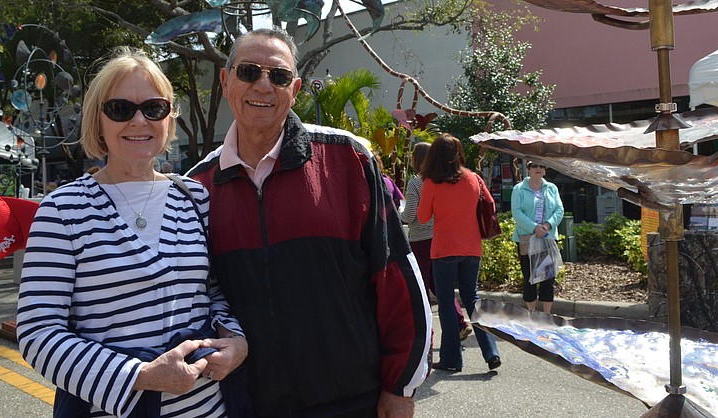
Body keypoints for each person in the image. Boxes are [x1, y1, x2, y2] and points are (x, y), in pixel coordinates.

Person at [188, 28, 431, 418]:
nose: (263, 85)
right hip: (246, 404)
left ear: (296, 88)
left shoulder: (348, 159)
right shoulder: (198, 186)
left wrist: (400, 387)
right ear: (226, 80)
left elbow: (397, 277)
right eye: (249, 71)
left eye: (279, 76)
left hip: (352, 401)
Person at [16, 47, 248, 417]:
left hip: (208, 407)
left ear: (169, 118)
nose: (139, 121)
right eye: (121, 109)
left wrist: (235, 340)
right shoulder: (61, 210)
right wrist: (142, 375)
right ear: (98, 119)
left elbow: (213, 291)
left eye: (153, 108)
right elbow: (38, 332)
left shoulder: (194, 197)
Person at [416, 133, 501, 373]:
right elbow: (490, 205)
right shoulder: (474, 178)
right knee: (472, 299)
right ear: (458, 153)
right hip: (472, 247)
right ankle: (491, 352)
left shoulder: (431, 183)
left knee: (445, 302)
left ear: (434, 156)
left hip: (443, 249)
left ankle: (452, 360)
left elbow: (422, 217)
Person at [401, 141, 473, 340]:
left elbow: (410, 214)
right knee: (442, 286)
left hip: (421, 239)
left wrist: (399, 214)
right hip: (440, 237)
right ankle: (460, 322)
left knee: (421, 286)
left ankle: (424, 331)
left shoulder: (417, 182)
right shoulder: (443, 180)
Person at [511, 160, 564, 314]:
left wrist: (547, 225)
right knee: (530, 278)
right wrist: (534, 227)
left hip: (547, 239)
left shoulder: (552, 188)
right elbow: (517, 212)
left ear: (545, 170)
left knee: (548, 279)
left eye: (541, 166)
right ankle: (532, 314)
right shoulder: (519, 189)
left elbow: (559, 210)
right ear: (528, 169)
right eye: (534, 166)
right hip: (527, 240)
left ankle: (546, 315)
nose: (538, 168)